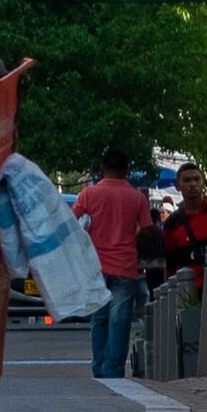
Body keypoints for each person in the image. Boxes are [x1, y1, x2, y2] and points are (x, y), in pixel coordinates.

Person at [69, 158, 155, 382]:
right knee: (120, 320)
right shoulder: (137, 197)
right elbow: (147, 228)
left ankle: (98, 366)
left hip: (96, 266)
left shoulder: (88, 195)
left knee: (99, 318)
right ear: (126, 169)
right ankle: (113, 370)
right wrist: (130, 235)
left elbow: (71, 221)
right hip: (125, 266)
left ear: (101, 169)